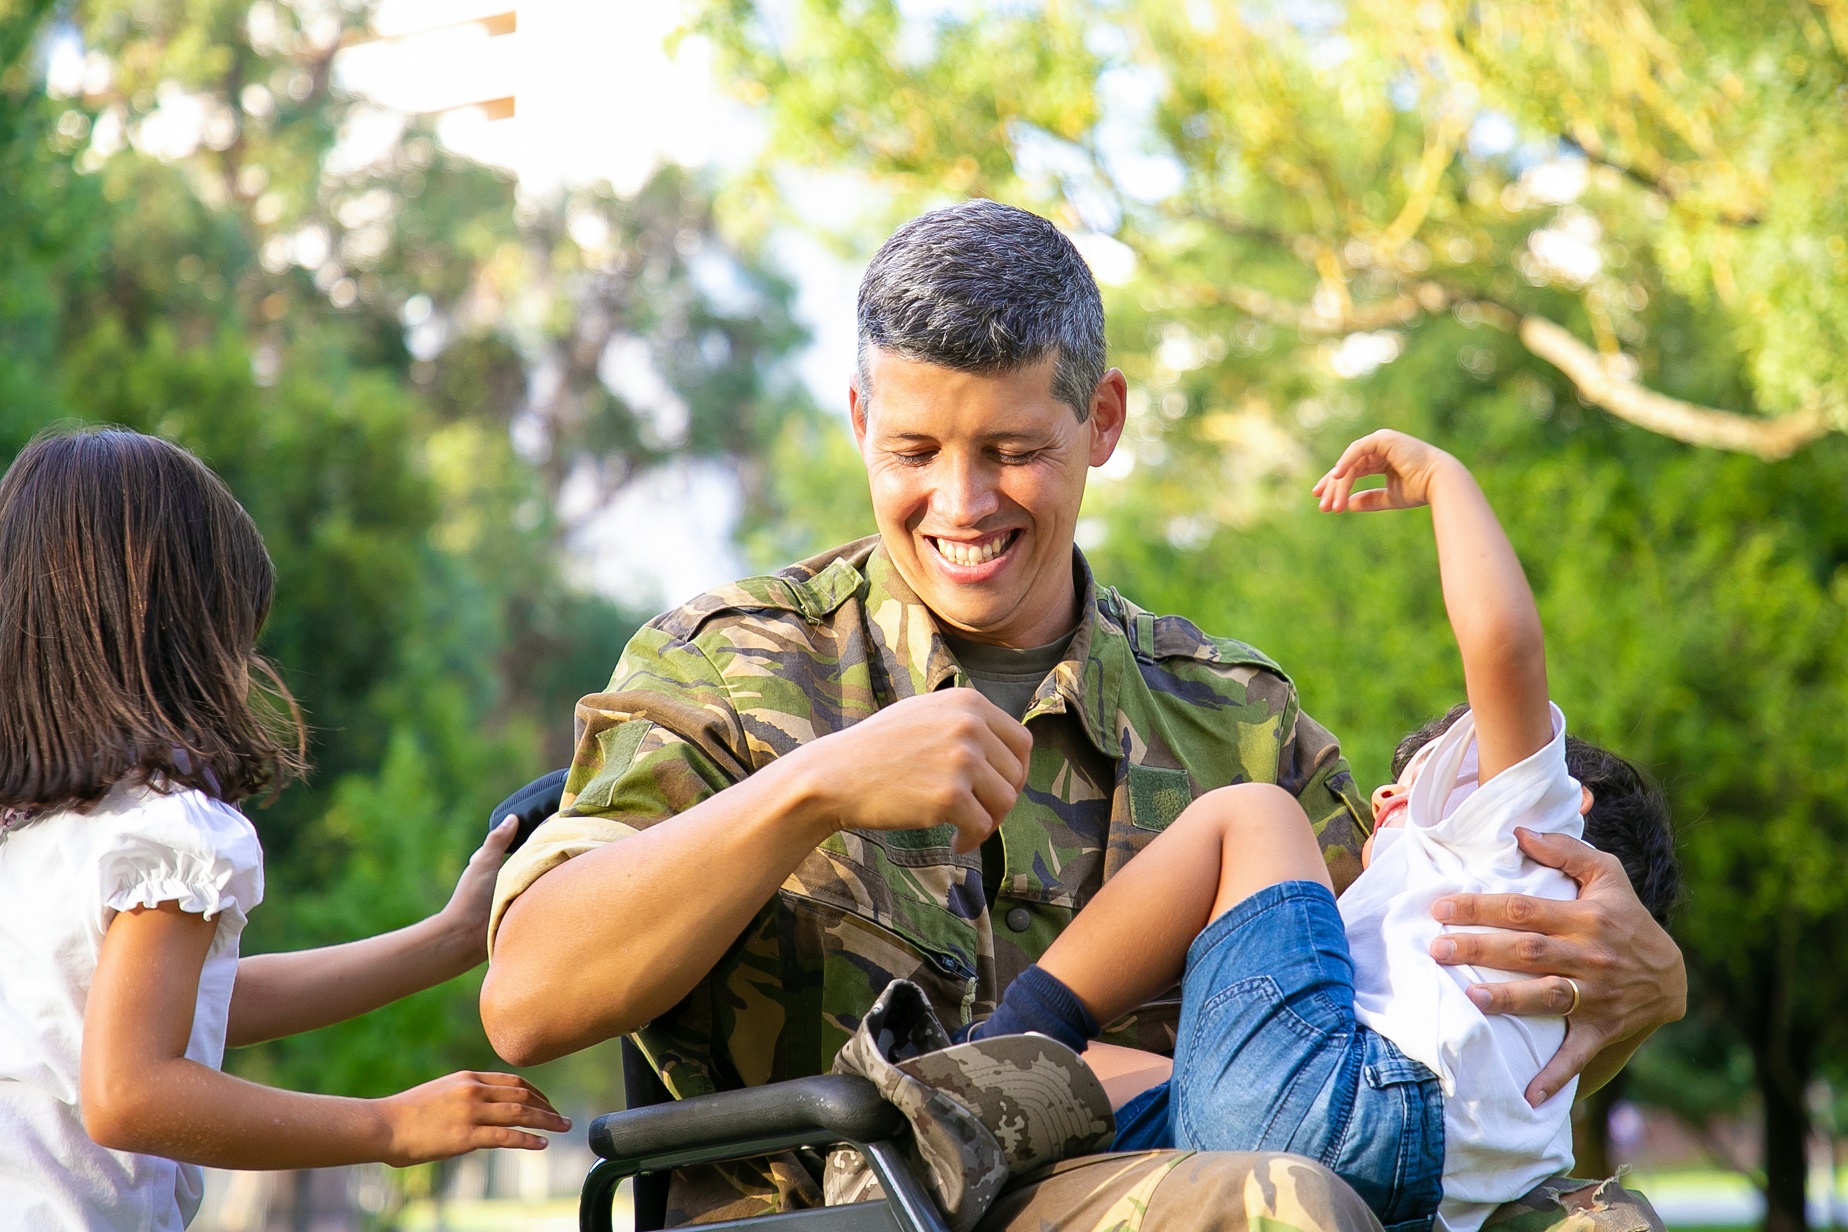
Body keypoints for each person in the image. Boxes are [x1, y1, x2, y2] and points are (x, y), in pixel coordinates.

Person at [481, 200, 1687, 1232]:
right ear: (858, 420)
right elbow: (530, 1000)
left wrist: (1626, 986)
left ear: (1102, 420)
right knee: (1286, 1202)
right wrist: (814, 787)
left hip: (1156, 1165)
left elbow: (1400, 1029)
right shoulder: (738, 666)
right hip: (847, 1204)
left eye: (1013, 449)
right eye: (913, 448)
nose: (961, 501)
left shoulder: (1234, 719)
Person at [959, 429, 1680, 1232]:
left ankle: (1006, 1038)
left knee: (1255, 813)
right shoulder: (1524, 1033)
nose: (1382, 795)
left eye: (1426, 775)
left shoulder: (1522, 840)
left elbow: (1504, 648)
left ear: (1555, 803)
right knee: (1116, 1072)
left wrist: (1447, 481)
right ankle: (1003, 1088)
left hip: (1340, 1108)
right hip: (1407, 1185)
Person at [0, 428, 570, 1232]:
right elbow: (128, 1093)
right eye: (238, 635)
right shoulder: (169, 832)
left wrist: (449, 938)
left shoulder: (34, 835)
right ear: (184, 638)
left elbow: (180, 1009)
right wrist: (388, 1126)